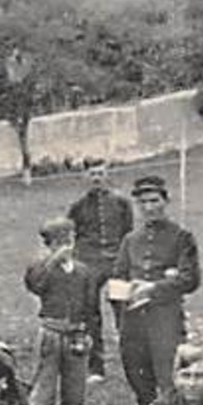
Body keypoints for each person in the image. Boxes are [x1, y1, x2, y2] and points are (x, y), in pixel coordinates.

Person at [111, 174, 202, 405]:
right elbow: (117, 278)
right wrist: (123, 293)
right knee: (139, 381)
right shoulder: (131, 240)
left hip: (165, 321)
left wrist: (154, 288)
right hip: (133, 323)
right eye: (143, 203)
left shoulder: (181, 237)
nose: (149, 208)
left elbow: (190, 279)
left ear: (165, 201)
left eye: (154, 201)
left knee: (168, 381)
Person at [23, 216, 96, 405]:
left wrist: (89, 333)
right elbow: (36, 286)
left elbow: (91, 307)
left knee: (75, 391)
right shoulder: (41, 268)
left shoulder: (82, 271)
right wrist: (52, 261)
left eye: (68, 241)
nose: (64, 247)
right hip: (51, 333)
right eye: (57, 243)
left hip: (76, 334)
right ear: (49, 245)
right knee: (44, 388)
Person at [66, 161, 135, 381]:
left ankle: (132, 364)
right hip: (89, 264)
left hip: (116, 262)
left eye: (100, 173)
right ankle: (96, 367)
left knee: (123, 312)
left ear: (108, 175)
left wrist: (127, 260)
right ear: (86, 177)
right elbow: (72, 235)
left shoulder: (122, 204)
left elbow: (129, 234)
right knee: (89, 314)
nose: (96, 178)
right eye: (92, 174)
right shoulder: (78, 207)